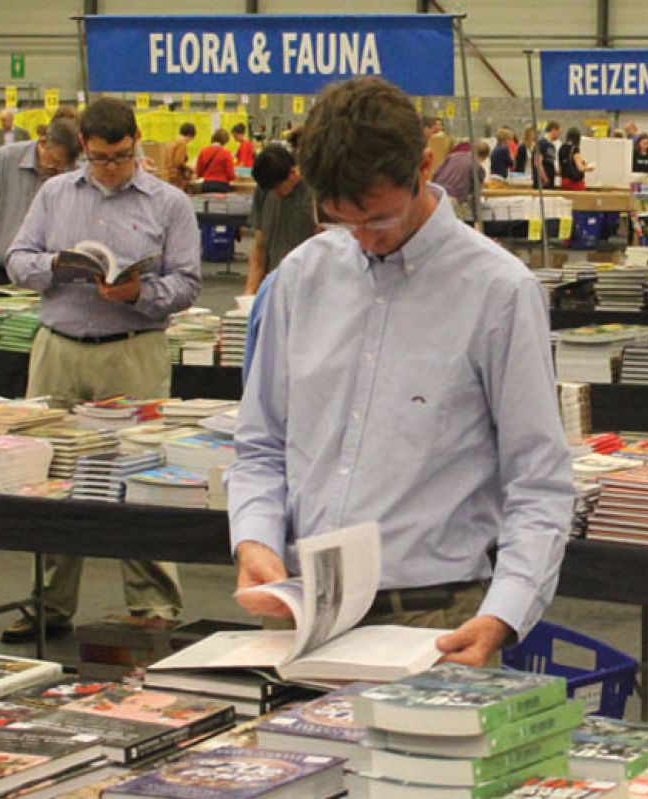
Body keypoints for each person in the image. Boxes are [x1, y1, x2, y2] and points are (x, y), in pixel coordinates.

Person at [227, 76, 573, 667]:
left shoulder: (497, 292)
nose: (363, 240)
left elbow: (538, 479)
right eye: (341, 222)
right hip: (305, 609)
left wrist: (504, 611)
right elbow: (262, 445)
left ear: (424, 166)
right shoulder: (301, 278)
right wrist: (254, 538)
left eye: (379, 221)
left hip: (435, 618)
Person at [3, 97, 200, 643]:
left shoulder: (170, 204)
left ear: (136, 142)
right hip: (58, 348)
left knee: (140, 475)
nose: (110, 168)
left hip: (131, 348)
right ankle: (49, 603)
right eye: (98, 158)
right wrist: (56, 265)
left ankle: (153, 603)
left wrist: (140, 291)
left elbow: (187, 283)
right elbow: (17, 258)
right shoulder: (54, 193)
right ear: (82, 149)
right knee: (53, 476)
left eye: (119, 156)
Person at [0, 119, 82, 305]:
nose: (58, 171)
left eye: (64, 167)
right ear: (43, 142)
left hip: (52, 277)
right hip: (0, 274)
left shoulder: (76, 172)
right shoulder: (1, 160)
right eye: (55, 162)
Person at [244, 145, 318, 296]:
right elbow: (259, 246)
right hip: (273, 286)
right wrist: (250, 291)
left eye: (277, 188)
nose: (274, 194)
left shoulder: (315, 193)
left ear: (293, 173)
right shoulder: (264, 189)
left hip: (308, 287)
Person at [195, 128, 237, 193]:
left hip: (207, 185)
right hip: (221, 186)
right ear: (225, 141)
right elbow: (231, 175)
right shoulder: (226, 153)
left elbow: (199, 172)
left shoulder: (203, 151)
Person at [165, 122, 195, 191]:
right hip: (176, 177)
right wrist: (191, 169)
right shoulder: (182, 143)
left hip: (168, 175)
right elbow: (179, 162)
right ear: (190, 135)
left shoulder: (174, 141)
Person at [535, 121, 561, 188]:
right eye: (559, 132)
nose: (559, 134)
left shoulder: (552, 147)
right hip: (542, 182)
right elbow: (537, 163)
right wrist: (544, 178)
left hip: (551, 181)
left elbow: (550, 164)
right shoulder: (541, 143)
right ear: (553, 130)